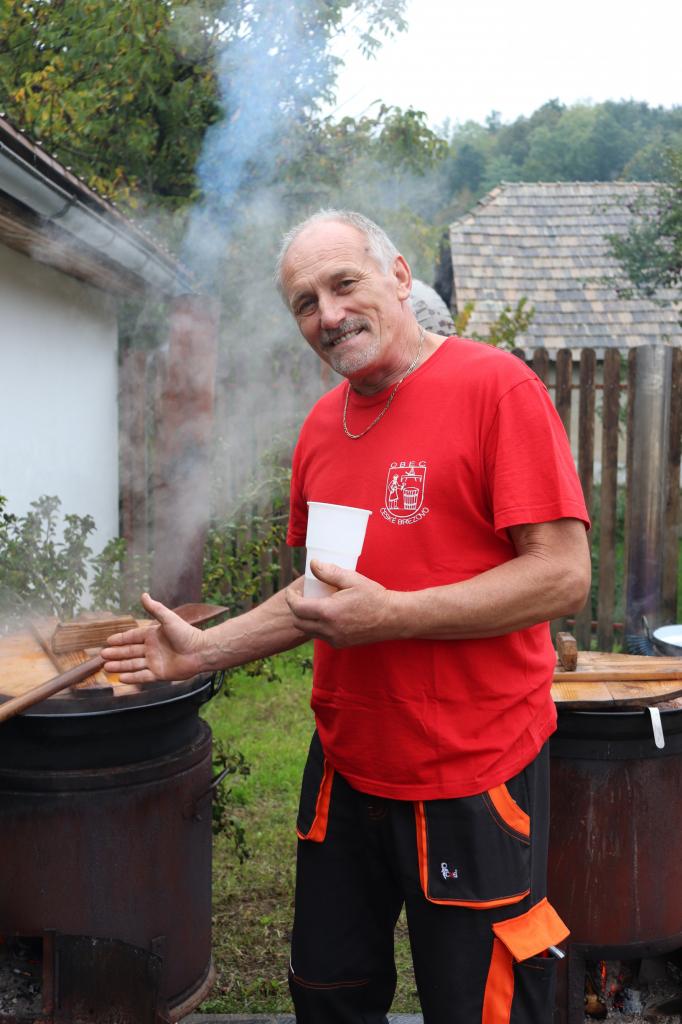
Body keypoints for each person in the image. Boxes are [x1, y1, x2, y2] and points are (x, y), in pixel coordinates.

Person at [102, 209, 591, 1024]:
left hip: (472, 772)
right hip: (345, 767)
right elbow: (320, 596)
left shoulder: (496, 387)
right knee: (329, 995)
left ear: (398, 276)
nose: (327, 315)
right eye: (305, 303)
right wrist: (200, 652)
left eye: (343, 284)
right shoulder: (322, 426)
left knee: (480, 1005)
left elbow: (563, 575)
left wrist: (395, 614)